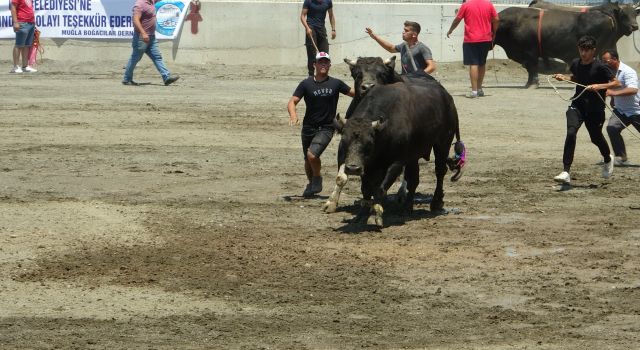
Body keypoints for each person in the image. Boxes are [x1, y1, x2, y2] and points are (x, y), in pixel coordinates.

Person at [551, 36, 620, 185]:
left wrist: (598, 86)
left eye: (587, 50)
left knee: (596, 138)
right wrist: (564, 77)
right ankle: (566, 171)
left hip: (595, 109)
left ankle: (608, 158)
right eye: (581, 49)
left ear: (593, 50)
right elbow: (576, 78)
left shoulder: (601, 66)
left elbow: (616, 82)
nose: (583, 53)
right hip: (577, 104)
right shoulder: (576, 63)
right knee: (571, 132)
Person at [287, 52, 355, 197]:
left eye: (326, 62)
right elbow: (292, 101)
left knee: (312, 155)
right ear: (315, 65)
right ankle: (311, 184)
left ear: (329, 65)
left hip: (327, 127)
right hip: (308, 127)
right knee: (307, 159)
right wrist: (293, 115)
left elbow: (354, 93)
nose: (323, 65)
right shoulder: (306, 84)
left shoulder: (336, 83)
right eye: (320, 62)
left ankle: (317, 178)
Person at [446, 0, 499, 98]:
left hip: (471, 39)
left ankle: (474, 91)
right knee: (482, 63)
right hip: (486, 38)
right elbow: (496, 19)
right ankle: (479, 89)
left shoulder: (466, 5)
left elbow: (458, 19)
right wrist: (494, 32)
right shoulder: (488, 4)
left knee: (473, 64)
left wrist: (450, 30)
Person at [122, 0, 180, 86]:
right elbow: (135, 20)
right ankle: (127, 79)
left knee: (157, 57)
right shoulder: (140, 4)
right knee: (135, 58)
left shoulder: (151, 1)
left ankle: (166, 77)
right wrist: (143, 33)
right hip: (141, 38)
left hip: (151, 37)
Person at [602, 49, 640, 166]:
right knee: (612, 128)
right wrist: (613, 99)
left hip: (636, 110)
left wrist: (613, 94)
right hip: (620, 110)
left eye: (606, 61)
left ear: (615, 59)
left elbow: (633, 89)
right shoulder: (609, 72)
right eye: (602, 61)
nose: (604, 63)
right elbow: (614, 87)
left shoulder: (628, 71)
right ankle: (621, 157)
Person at [365, 21, 436, 76]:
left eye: (406, 31)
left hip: (416, 82)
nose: (403, 32)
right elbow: (391, 48)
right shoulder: (404, 45)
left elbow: (432, 67)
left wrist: (418, 76)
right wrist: (375, 37)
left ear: (414, 35)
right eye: (404, 30)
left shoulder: (422, 48)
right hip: (406, 79)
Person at [300, 0, 336, 77]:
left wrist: (333, 29)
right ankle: (311, 76)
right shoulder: (308, 1)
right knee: (312, 55)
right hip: (311, 29)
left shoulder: (328, 1)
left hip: (322, 29)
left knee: (325, 54)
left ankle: (323, 75)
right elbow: (302, 15)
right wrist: (307, 28)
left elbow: (331, 15)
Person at [9, 0, 37, 73]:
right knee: (18, 45)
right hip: (22, 22)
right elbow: (13, 7)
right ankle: (15, 66)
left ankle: (25, 66)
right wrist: (15, 22)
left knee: (27, 45)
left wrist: (33, 22)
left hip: (31, 23)